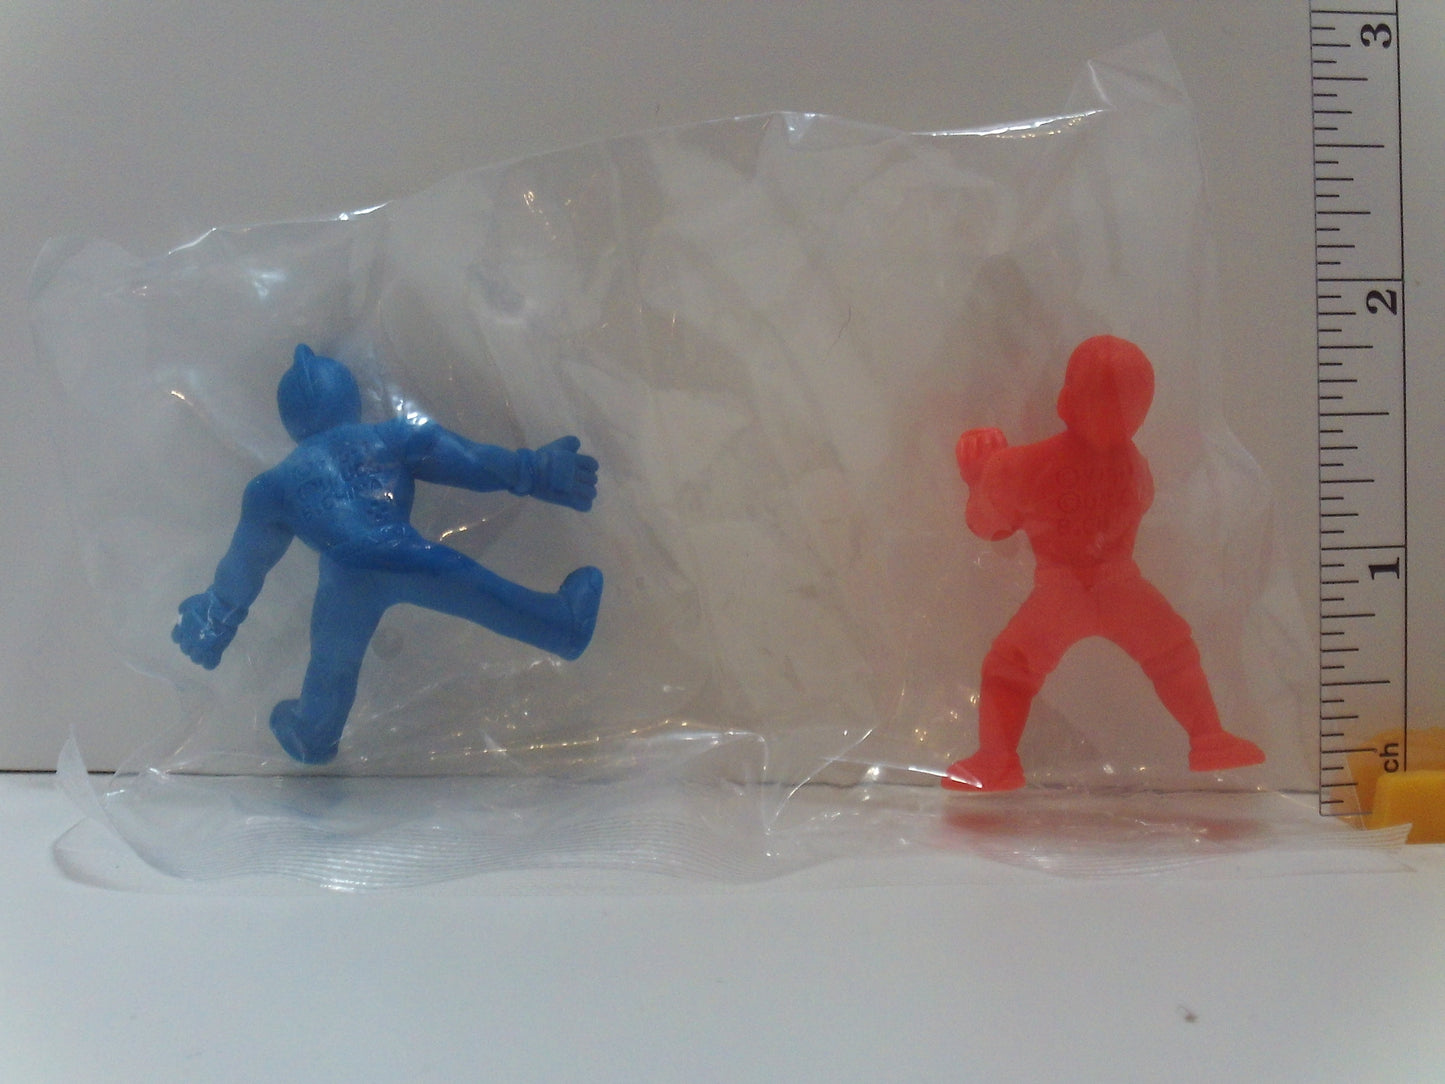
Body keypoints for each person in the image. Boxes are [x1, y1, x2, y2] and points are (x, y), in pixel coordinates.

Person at [173, 344, 603, 764]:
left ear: (291, 422)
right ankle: (560, 625)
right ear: (352, 401)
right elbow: (466, 461)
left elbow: (246, 563)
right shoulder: (389, 436)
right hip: (401, 554)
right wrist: (533, 470)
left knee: (332, 658)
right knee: (480, 592)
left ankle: (313, 731)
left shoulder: (271, 487)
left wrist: (216, 617)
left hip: (344, 575)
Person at [943, 335, 1264, 791]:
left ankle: (997, 759)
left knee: (1009, 669)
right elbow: (1141, 505)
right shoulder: (1135, 466)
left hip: (1062, 593)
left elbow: (989, 527)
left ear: (1067, 399)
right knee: (1172, 653)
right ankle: (1209, 736)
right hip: (1120, 585)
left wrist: (980, 477)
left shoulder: (1029, 465)